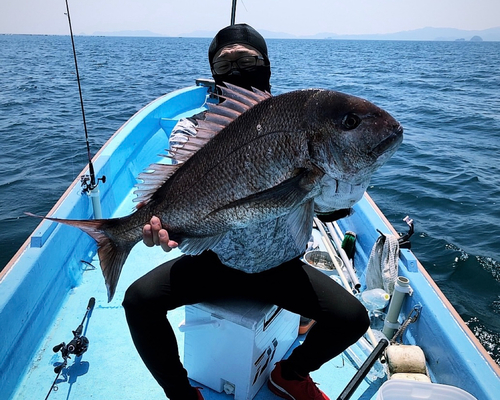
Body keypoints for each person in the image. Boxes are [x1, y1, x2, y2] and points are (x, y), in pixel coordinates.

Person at [122, 24, 369, 400]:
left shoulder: (295, 124)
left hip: (279, 265)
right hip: (215, 261)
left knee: (354, 319)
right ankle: (182, 395)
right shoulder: (191, 130)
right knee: (138, 301)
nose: (237, 68)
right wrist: (166, 225)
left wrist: (336, 182)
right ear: (213, 72)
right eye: (225, 62)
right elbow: (182, 191)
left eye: (248, 59)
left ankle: (290, 373)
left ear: (266, 65)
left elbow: (331, 203)